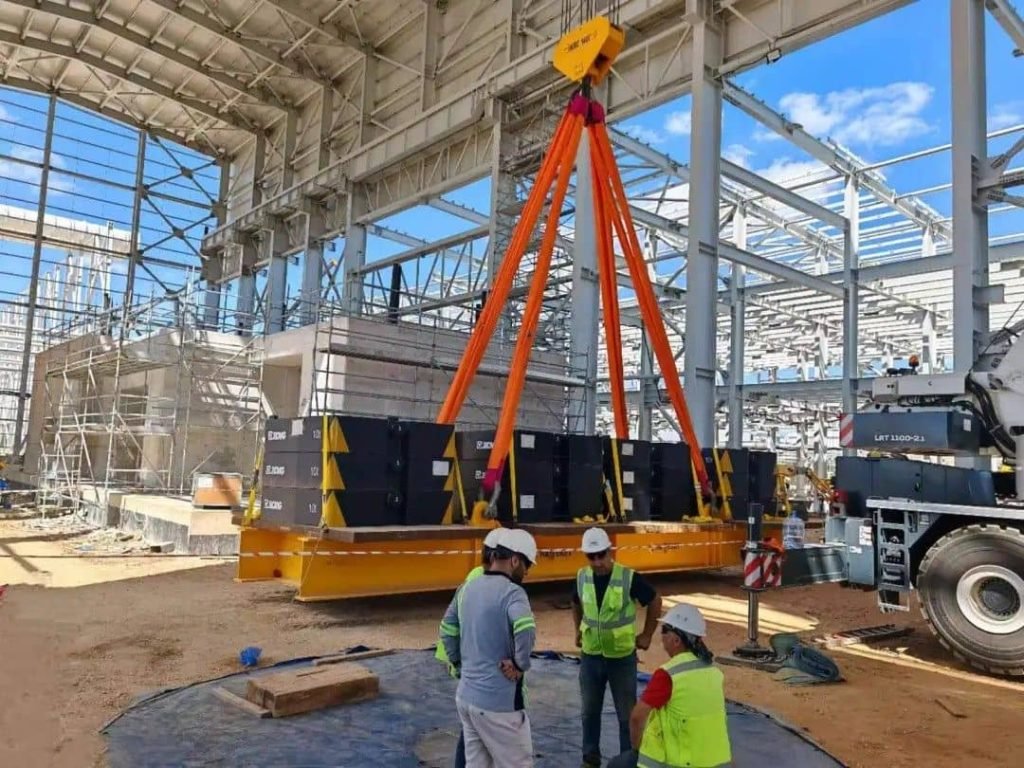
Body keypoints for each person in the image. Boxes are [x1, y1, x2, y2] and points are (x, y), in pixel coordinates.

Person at [440, 528, 539, 768]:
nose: (526, 571)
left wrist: (460, 665)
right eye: (526, 565)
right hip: (499, 703)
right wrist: (519, 664)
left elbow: (447, 629)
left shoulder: (467, 588)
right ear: (514, 560)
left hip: (466, 698)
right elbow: (525, 628)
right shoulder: (513, 593)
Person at [572, 527, 662, 768]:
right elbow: (576, 602)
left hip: (621, 658)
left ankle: (628, 760)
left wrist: (647, 635)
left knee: (627, 715)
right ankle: (590, 759)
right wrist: (578, 630)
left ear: (609, 551)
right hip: (591, 656)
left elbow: (654, 600)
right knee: (589, 712)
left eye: (601, 555)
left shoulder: (627, 577)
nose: (598, 562)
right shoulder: (582, 577)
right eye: (592, 557)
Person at [606, 603, 732, 768]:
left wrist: (638, 750)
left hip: (681, 763)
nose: (661, 637)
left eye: (664, 631)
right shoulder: (713, 672)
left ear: (676, 640)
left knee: (619, 765)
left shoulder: (669, 675)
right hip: (717, 763)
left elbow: (637, 717)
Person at [437, 527, 509, 768]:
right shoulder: (481, 580)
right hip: (471, 664)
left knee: (472, 725)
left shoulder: (481, 577)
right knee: (475, 726)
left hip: (468, 662)